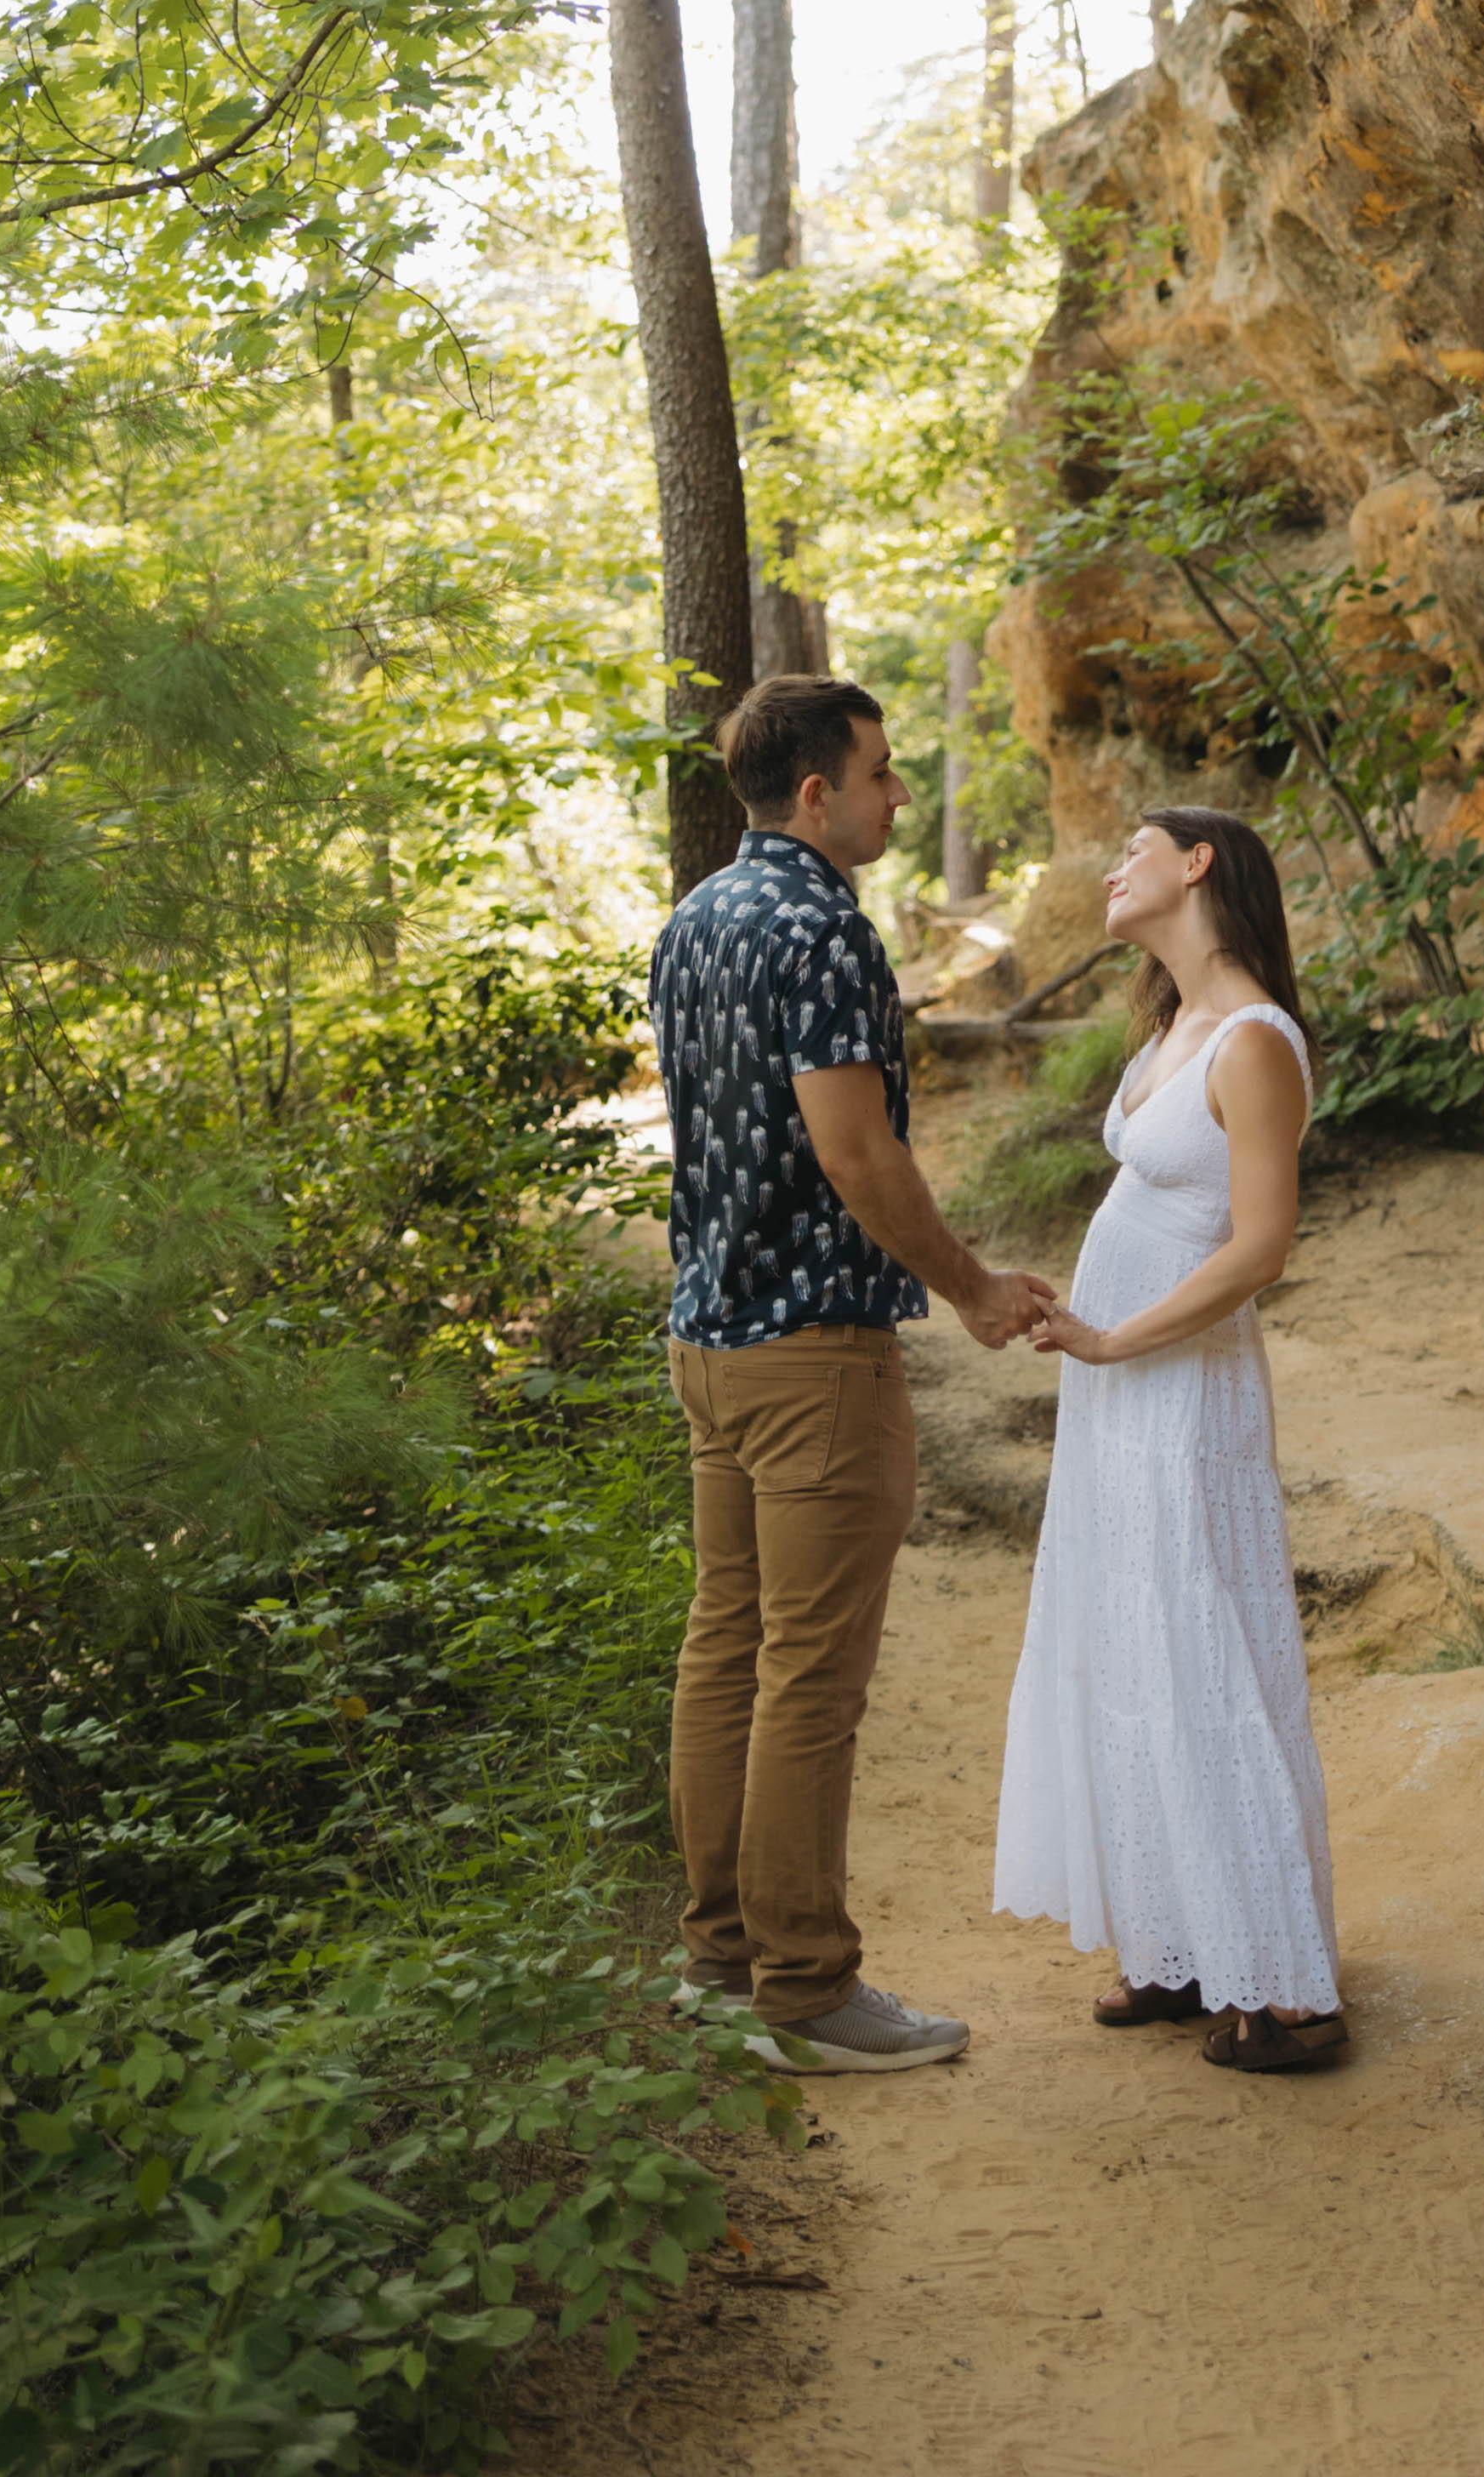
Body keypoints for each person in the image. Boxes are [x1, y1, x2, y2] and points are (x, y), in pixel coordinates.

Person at [652, 672, 1055, 2076]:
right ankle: (809, 1991)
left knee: (728, 1652)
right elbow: (857, 1153)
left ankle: (717, 1962)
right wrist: (978, 1291)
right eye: (882, 776)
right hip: (814, 1353)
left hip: (707, 1347)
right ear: (815, 791)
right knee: (808, 1680)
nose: (897, 799)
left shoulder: (696, 918)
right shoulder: (822, 927)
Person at [989, 805, 1349, 2072]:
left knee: (1198, 1651)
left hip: (1180, 1389)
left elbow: (1260, 1247)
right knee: (1129, 1641)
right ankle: (1184, 1943)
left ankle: (1288, 1986)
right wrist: (1075, 1311)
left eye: (1131, 848)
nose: (1109, 866)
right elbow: (1153, 1195)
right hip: (1120, 1382)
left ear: (1197, 865)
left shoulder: (1255, 1040)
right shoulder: (1170, 1026)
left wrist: (1118, 1337)